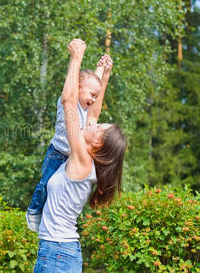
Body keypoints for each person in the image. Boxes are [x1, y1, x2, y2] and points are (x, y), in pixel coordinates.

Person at [33, 39, 126, 273]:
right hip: (61, 252)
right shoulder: (88, 160)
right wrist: (103, 76)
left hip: (57, 252)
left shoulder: (82, 160)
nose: (94, 122)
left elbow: (69, 103)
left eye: (99, 127)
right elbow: (91, 112)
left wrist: (76, 58)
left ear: (98, 145)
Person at [26, 53, 113, 233]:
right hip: (57, 153)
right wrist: (76, 58)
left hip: (69, 157)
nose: (94, 100)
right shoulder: (69, 103)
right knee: (45, 183)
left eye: (96, 97)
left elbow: (91, 85)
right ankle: (34, 210)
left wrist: (102, 69)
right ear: (78, 88)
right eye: (92, 95)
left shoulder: (85, 109)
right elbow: (73, 87)